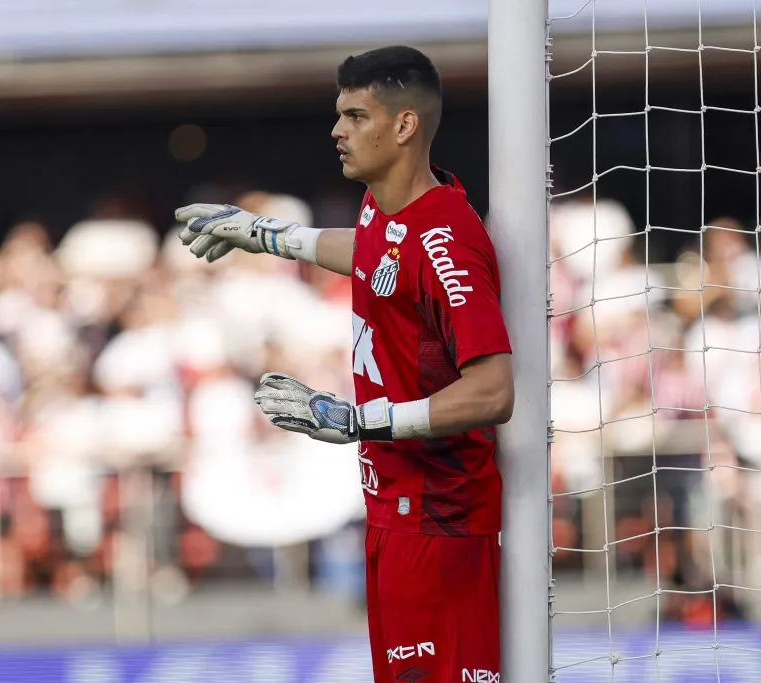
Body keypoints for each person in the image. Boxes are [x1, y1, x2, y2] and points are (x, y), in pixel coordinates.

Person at [176, 46, 513, 683]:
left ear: (405, 125)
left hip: (439, 522)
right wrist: (264, 234)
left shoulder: (450, 243)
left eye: (356, 116)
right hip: (393, 509)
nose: (337, 131)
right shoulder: (386, 210)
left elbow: (494, 391)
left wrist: (362, 420)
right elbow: (377, 256)